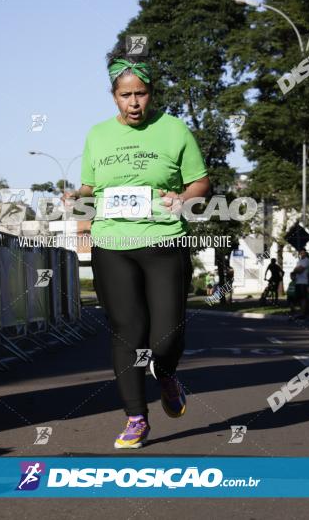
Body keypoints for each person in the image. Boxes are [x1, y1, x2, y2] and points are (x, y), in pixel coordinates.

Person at [64, 51, 211, 449]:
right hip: (112, 244)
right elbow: (91, 190)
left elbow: (200, 183)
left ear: (151, 94)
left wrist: (183, 198)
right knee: (127, 332)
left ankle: (166, 375)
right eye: (125, 94)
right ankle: (135, 418)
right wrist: (81, 219)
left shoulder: (175, 130)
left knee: (166, 337)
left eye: (141, 93)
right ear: (113, 96)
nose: (134, 102)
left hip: (165, 241)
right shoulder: (97, 135)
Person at [292, 249, 309, 318]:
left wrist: (297, 269)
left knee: (303, 298)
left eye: (303, 253)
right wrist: (296, 270)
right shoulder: (299, 261)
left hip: (304, 282)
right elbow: (295, 270)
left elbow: (300, 270)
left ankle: (303, 313)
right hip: (298, 281)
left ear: (306, 253)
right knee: (299, 298)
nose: (302, 254)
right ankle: (302, 312)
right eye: (301, 253)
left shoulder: (306, 260)